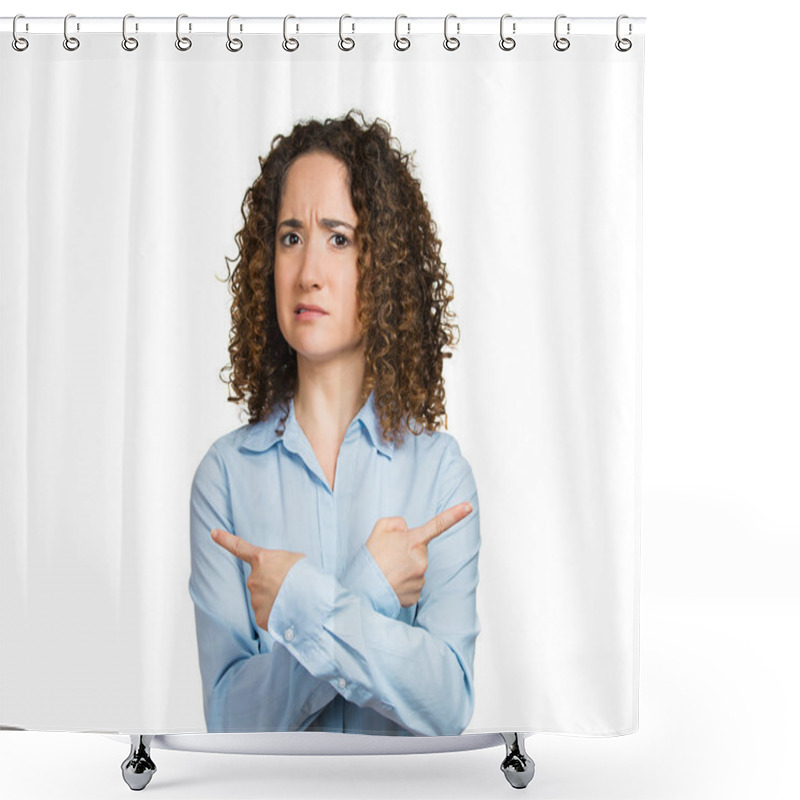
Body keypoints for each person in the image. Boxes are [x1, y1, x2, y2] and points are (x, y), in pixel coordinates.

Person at [189, 110, 481, 736]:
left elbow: (448, 705)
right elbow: (230, 718)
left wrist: (298, 602)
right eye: (291, 237)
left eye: (339, 238)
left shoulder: (439, 475)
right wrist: (370, 589)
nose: (308, 271)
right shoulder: (224, 479)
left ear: (385, 266)